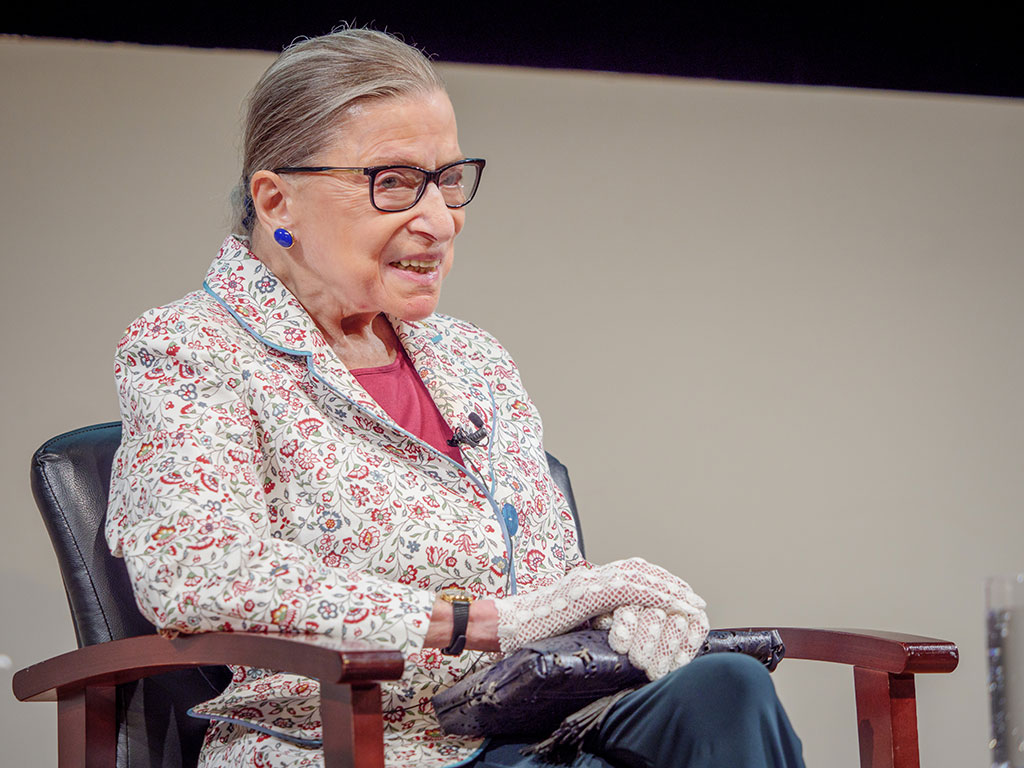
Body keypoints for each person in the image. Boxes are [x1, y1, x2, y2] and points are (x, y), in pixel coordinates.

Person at [105, 27, 805, 768]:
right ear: (279, 199)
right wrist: (472, 622)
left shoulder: (472, 358)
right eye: (395, 183)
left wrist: (612, 599)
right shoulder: (190, 347)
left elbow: (544, 582)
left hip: (527, 722)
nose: (440, 221)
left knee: (725, 689)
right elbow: (197, 572)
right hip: (351, 739)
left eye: (447, 180)